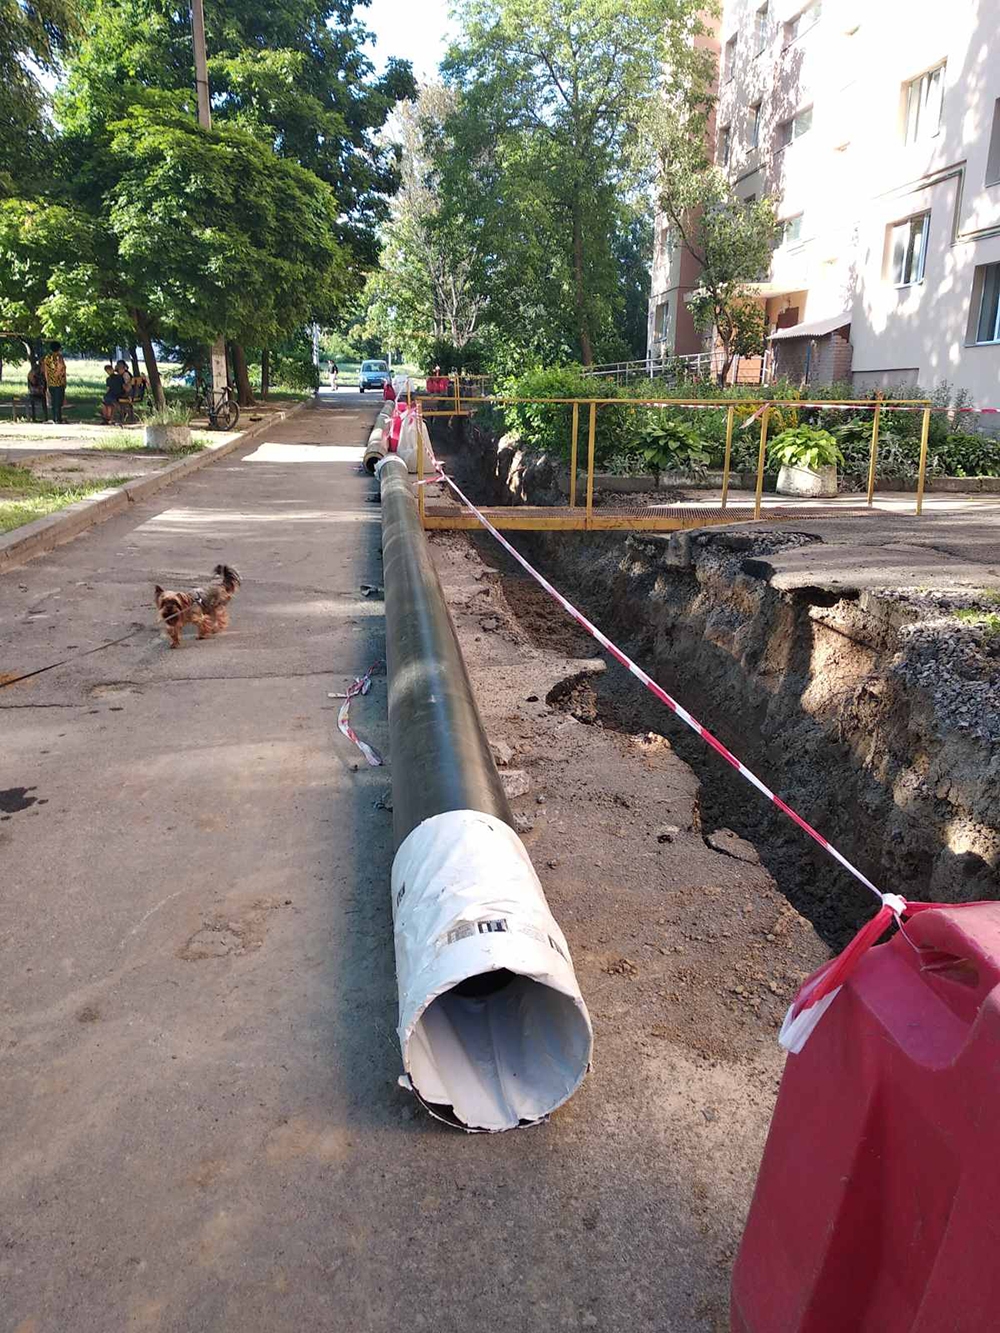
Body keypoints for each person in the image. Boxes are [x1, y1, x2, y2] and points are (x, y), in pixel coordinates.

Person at [42, 341, 67, 423]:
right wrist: (62, 378)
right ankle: (58, 419)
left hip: (51, 383)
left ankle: (54, 417)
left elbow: (45, 371)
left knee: (53, 402)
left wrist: (48, 381)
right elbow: (61, 368)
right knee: (58, 402)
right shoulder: (59, 358)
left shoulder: (47, 358)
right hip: (59, 382)